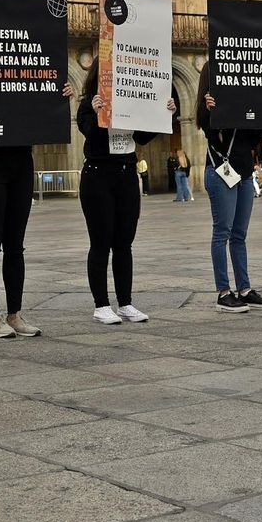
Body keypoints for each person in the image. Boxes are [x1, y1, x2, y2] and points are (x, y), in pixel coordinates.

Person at [0, 76, 74, 338]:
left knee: (15, 245)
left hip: (22, 163)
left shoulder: (31, 79)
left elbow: (46, 120)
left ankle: (14, 314)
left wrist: (59, 100)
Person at [76, 58, 174, 324]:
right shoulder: (88, 103)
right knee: (100, 243)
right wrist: (97, 113)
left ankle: (125, 303)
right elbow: (90, 133)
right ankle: (101, 305)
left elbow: (141, 137)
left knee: (124, 243)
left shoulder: (132, 101)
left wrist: (165, 114)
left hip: (126, 175)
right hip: (97, 176)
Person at [197, 59, 262, 314]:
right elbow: (212, 133)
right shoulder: (206, 106)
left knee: (239, 234)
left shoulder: (243, 102)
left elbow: (252, 139)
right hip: (220, 172)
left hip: (243, 173)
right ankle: (223, 292)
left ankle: (244, 289)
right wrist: (211, 111)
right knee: (222, 231)